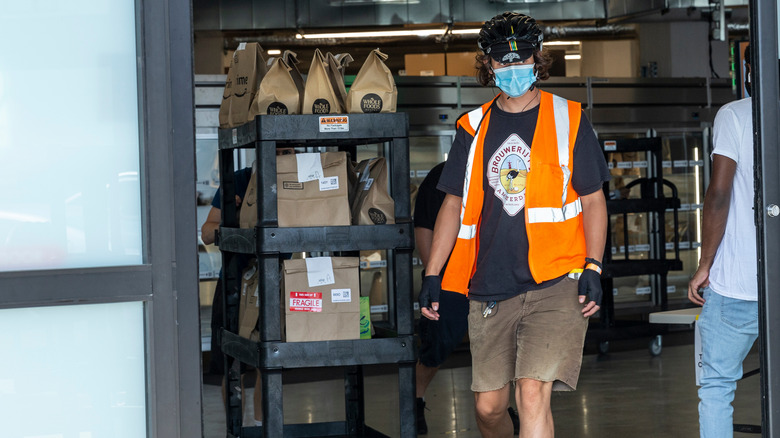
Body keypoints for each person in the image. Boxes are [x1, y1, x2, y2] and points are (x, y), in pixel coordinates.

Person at [417, 12, 609, 437]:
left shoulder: (570, 119)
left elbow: (594, 200)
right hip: (489, 284)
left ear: (538, 60)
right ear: (487, 65)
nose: (512, 68)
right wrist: (433, 273)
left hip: (556, 278)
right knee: (489, 407)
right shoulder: (472, 127)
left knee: (532, 392)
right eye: (502, 61)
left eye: (520, 59)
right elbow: (452, 204)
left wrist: (593, 266)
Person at [413, 162, 520, 435]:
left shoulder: (505, 170)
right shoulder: (441, 175)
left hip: (496, 277)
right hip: (453, 280)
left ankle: (503, 408)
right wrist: (433, 275)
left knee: (504, 346)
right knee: (437, 344)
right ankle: (415, 398)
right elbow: (424, 227)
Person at [687, 45, 757, 438]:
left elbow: (718, 193)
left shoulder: (735, 115)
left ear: (749, 71)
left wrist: (704, 265)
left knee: (716, 386)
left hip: (736, 285)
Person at [201, 165, 264, 426]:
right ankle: (235, 428)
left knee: (269, 362)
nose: (282, 156)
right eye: (278, 150)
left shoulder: (297, 177)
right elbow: (206, 234)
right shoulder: (238, 179)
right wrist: (231, 217)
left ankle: (263, 427)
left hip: (277, 278)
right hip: (236, 281)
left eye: (288, 151)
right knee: (232, 360)